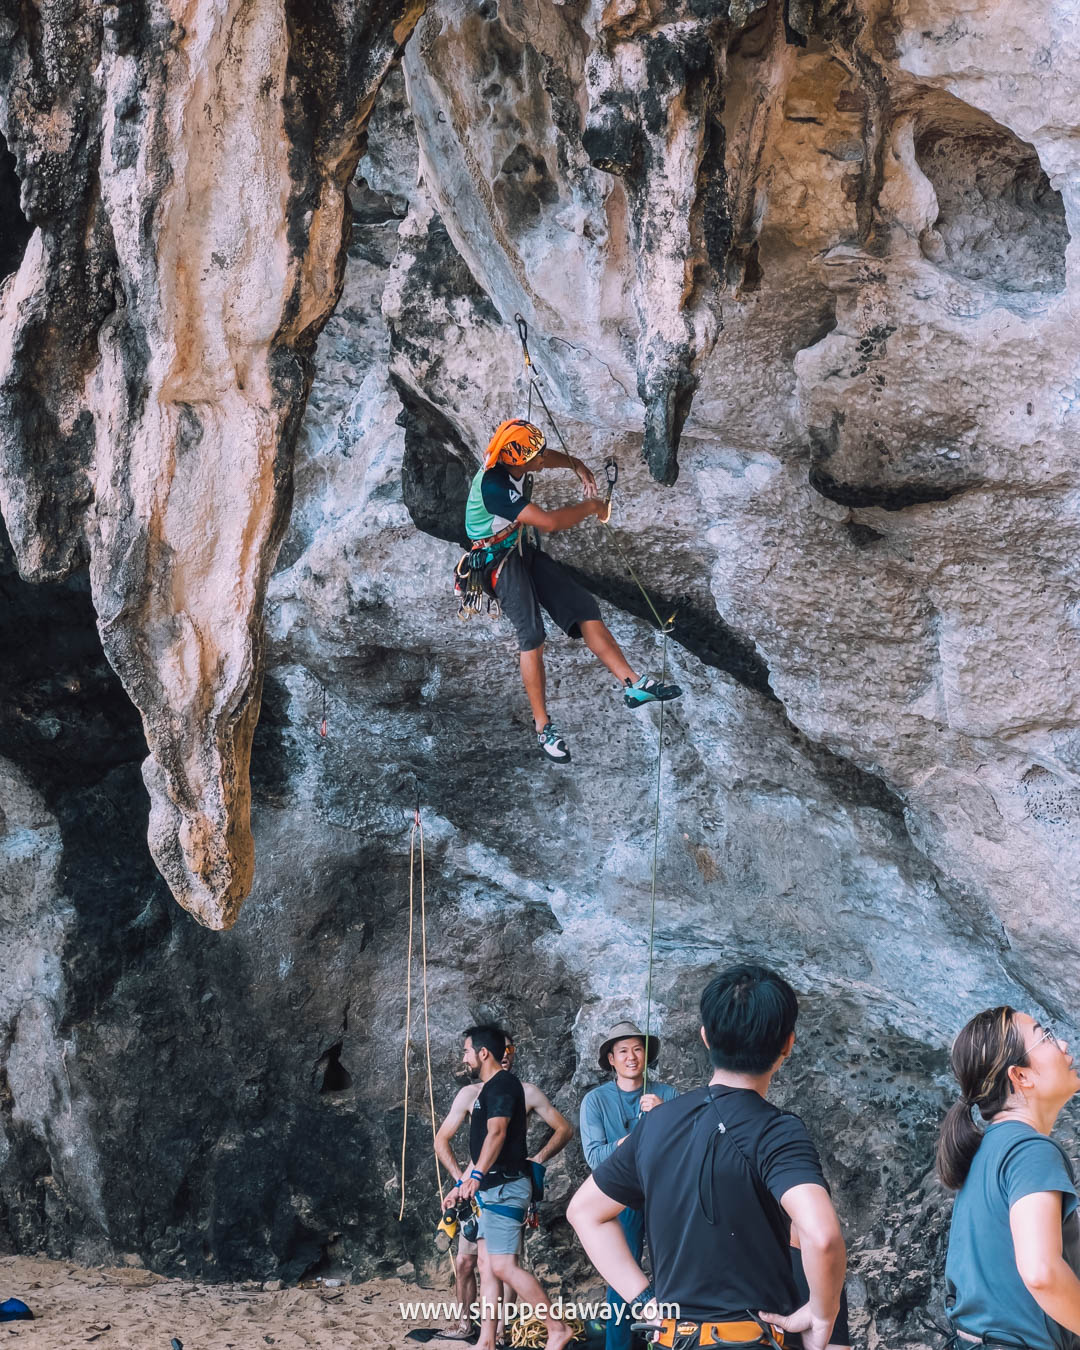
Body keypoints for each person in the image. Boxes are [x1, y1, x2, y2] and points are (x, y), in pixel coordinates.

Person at [567, 965, 846, 1350]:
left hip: (673, 1340)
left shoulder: (655, 1124)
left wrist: (645, 1302)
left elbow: (583, 1211)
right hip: (751, 1339)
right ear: (788, 1044)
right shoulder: (777, 1130)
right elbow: (822, 1235)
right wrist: (822, 1313)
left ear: (705, 1037)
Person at [464, 419, 681, 764]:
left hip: (517, 547)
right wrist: (594, 507)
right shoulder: (493, 486)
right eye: (532, 458)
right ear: (515, 459)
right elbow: (549, 522)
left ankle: (634, 683)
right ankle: (543, 727)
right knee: (532, 634)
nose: (540, 462)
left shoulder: (516, 460)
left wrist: (576, 464)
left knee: (583, 606)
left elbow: (544, 458)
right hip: (495, 561)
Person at [937, 1006, 1080, 1350]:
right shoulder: (1029, 1150)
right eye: (1044, 1036)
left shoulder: (989, 1150)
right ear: (1021, 1076)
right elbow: (1041, 1271)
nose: (1062, 1044)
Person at [440, 1026, 574, 1350]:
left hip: (505, 1187)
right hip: (491, 1187)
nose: (464, 1057)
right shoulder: (490, 1088)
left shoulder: (502, 1086)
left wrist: (475, 1176)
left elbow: (496, 1134)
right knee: (487, 1267)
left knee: (502, 1265)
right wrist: (464, 1183)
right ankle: (485, 1339)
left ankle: (556, 1328)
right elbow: (482, 1144)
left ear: (483, 1053)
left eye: (466, 1051)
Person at [580, 1022, 679, 1350]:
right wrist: (633, 1140)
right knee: (622, 1275)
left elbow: (686, 1147)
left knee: (672, 1271)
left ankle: (672, 1341)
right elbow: (596, 1157)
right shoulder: (595, 1101)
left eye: (638, 1049)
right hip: (620, 1197)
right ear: (611, 1058)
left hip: (665, 1194)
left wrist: (665, 1116)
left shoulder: (667, 1095)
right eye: (623, 1051)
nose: (632, 1057)